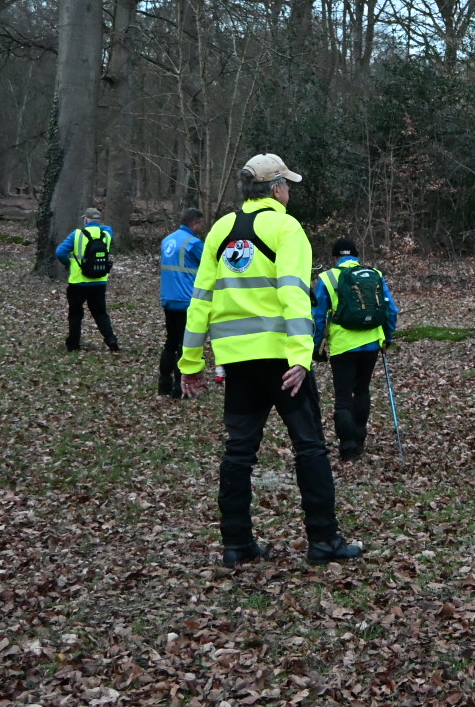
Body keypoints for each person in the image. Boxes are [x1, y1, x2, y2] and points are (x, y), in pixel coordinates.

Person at [177, 153, 362, 567]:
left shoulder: (221, 230)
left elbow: (200, 301)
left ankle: (237, 544)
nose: (290, 191)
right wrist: (302, 356)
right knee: (310, 448)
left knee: (239, 452)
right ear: (275, 187)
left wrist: (190, 364)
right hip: (282, 360)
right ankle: (324, 540)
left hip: (237, 362)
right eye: (287, 184)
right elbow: (294, 294)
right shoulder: (286, 227)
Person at [312, 237, 400, 462]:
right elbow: (391, 310)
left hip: (343, 346)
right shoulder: (375, 274)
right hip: (372, 342)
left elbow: (318, 316)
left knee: (343, 397)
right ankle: (360, 438)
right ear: (356, 256)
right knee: (362, 390)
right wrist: (387, 337)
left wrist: (316, 346)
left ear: (335, 257)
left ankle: (347, 447)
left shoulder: (327, 278)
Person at [55, 207, 119, 352]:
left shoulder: (77, 234)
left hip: (78, 282)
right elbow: (108, 227)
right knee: (100, 313)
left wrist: (68, 263)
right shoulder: (106, 234)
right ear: (98, 221)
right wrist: (96, 224)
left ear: (86, 219)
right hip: (99, 281)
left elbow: (60, 252)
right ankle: (111, 339)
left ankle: (73, 344)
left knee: (75, 314)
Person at [159, 208, 207, 397]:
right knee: (184, 346)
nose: (201, 228)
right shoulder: (194, 243)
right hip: (187, 300)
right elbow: (210, 264)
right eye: (200, 224)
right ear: (194, 223)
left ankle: (163, 385)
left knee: (170, 343)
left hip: (168, 298)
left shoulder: (167, 240)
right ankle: (180, 388)